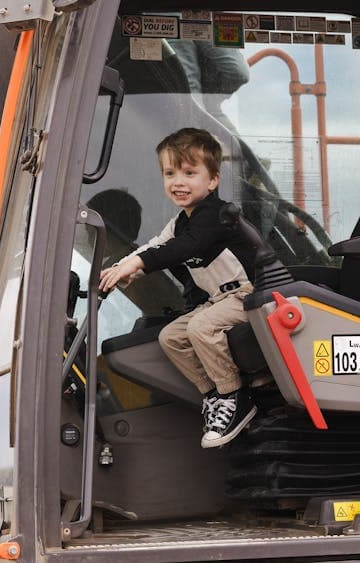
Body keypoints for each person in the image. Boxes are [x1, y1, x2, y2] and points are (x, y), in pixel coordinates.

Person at [99, 127, 257, 448]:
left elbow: (183, 248)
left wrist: (138, 265)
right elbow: (157, 244)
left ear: (212, 180)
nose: (178, 181)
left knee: (200, 327)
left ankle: (234, 397)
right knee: (171, 337)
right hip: (220, 299)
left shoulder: (215, 214)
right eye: (170, 173)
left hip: (249, 295)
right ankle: (213, 395)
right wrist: (120, 268)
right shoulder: (181, 220)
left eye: (189, 172)